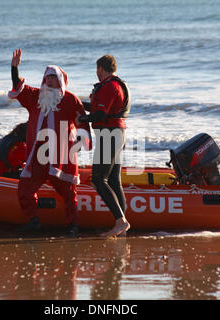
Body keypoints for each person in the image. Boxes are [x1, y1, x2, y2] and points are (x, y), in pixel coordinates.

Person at [8, 49, 91, 238]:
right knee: (25, 187)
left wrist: (82, 143)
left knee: (68, 191)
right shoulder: (36, 96)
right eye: (47, 77)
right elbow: (17, 87)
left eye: (53, 77)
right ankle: (33, 221)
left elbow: (82, 122)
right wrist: (14, 67)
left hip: (60, 153)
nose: (50, 80)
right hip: (38, 152)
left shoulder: (70, 99)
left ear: (60, 80)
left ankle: (73, 225)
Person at [76, 54, 131, 237]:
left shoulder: (110, 87)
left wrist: (81, 118)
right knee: (114, 181)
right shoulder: (116, 84)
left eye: (97, 69)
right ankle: (122, 225)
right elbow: (98, 109)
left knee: (98, 179)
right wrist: (77, 104)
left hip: (110, 135)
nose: (96, 73)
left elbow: (99, 115)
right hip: (117, 135)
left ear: (100, 68)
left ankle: (120, 221)